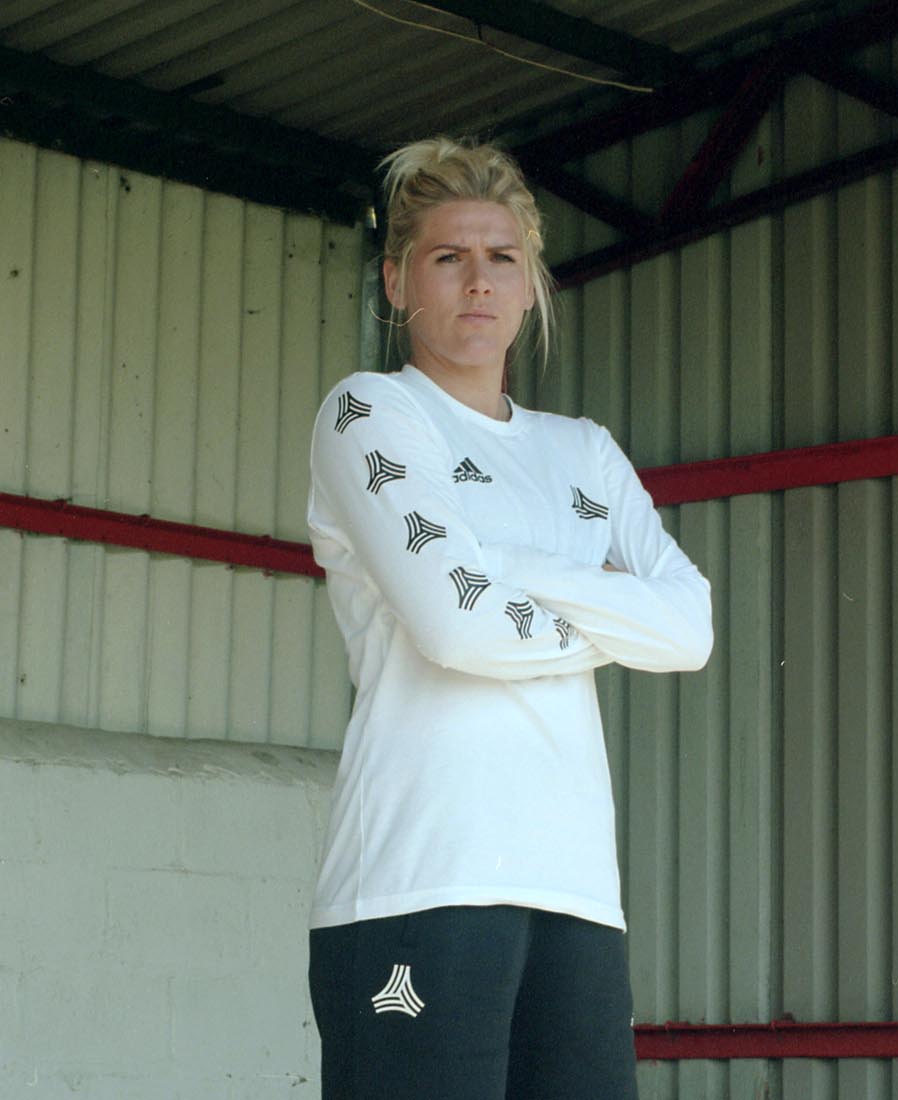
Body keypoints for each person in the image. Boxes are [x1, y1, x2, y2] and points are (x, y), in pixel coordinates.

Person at [305, 136, 714, 1099]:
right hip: (420, 879)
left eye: (502, 257)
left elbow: (689, 627)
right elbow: (456, 629)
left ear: (530, 286)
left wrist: (509, 570)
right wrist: (606, 618)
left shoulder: (584, 451)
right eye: (448, 257)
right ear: (397, 281)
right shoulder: (369, 414)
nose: (479, 281)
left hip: (577, 890)